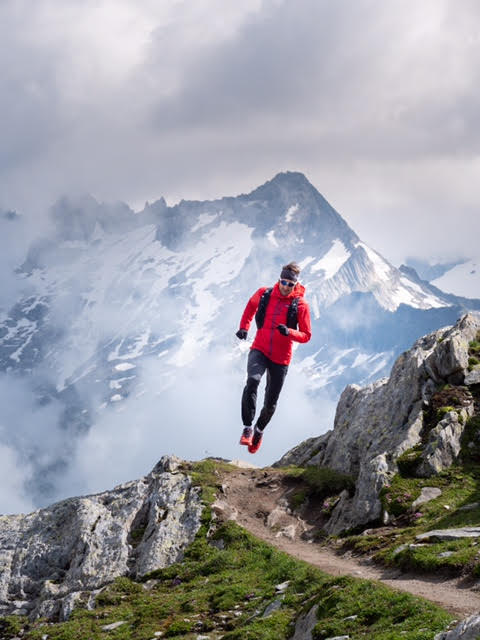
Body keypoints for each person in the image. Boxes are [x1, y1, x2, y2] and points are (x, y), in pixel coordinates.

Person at [235, 262, 312, 454]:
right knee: (252, 381)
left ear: (296, 284)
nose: (286, 286)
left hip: (281, 357)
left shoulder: (301, 305)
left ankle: (259, 430)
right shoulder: (265, 294)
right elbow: (250, 307)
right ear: (279, 280)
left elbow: (306, 335)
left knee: (270, 403)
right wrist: (244, 327)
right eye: (283, 282)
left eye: (290, 284)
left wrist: (289, 332)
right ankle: (247, 428)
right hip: (259, 348)